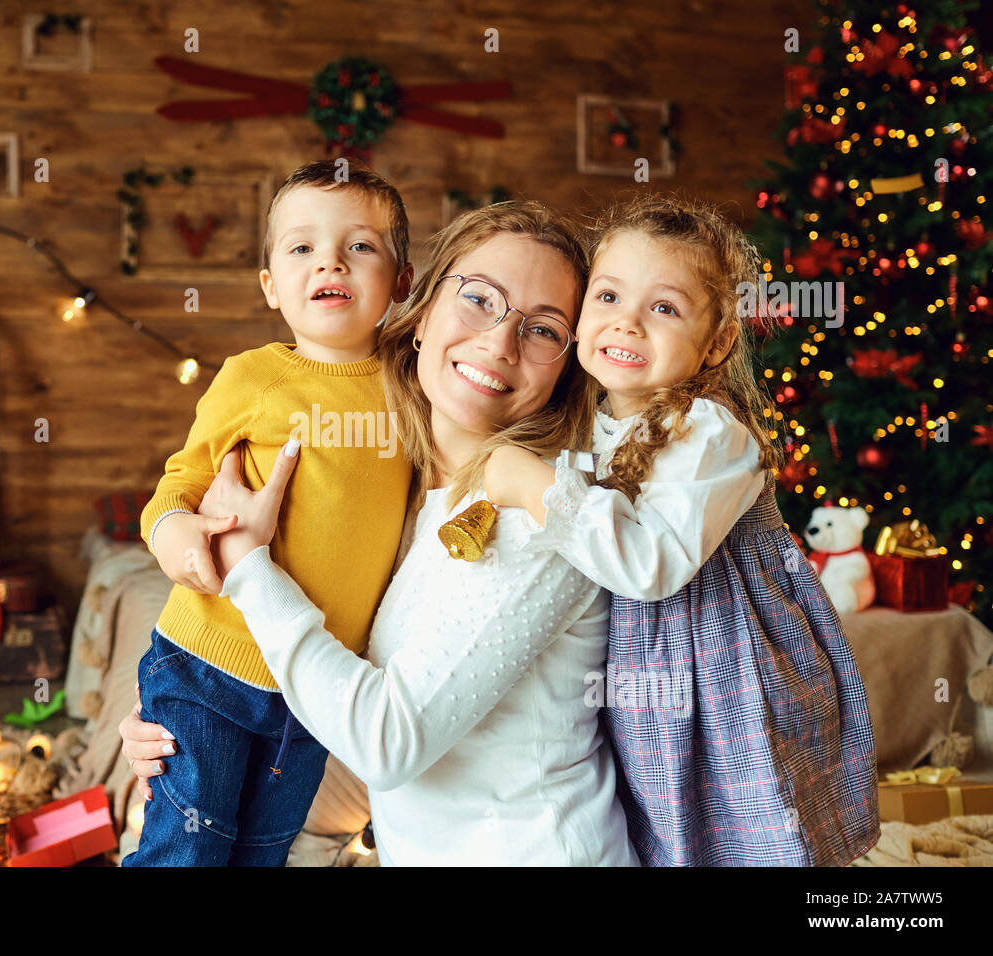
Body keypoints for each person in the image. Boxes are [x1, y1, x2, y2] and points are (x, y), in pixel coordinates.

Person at [124, 200, 640, 866]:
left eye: (543, 330)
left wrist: (251, 570)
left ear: (567, 365)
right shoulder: (403, 486)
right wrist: (187, 716)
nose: (500, 342)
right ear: (422, 312)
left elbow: (387, 740)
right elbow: (351, 695)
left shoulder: (534, 515)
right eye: (480, 298)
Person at [481, 193, 880, 865]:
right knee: (674, 831)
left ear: (719, 339)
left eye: (663, 308)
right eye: (607, 297)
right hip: (648, 682)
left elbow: (648, 564)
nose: (627, 323)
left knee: (757, 829)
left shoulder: (710, 430)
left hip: (733, 672)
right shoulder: (588, 428)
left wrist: (532, 485)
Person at [122, 161, 414, 866]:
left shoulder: (413, 387)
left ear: (401, 282)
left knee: (262, 852)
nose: (330, 262)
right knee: (184, 850)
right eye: (302, 247)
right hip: (206, 661)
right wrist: (177, 535)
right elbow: (180, 482)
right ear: (271, 287)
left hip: (311, 690)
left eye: (361, 246)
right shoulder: (254, 377)